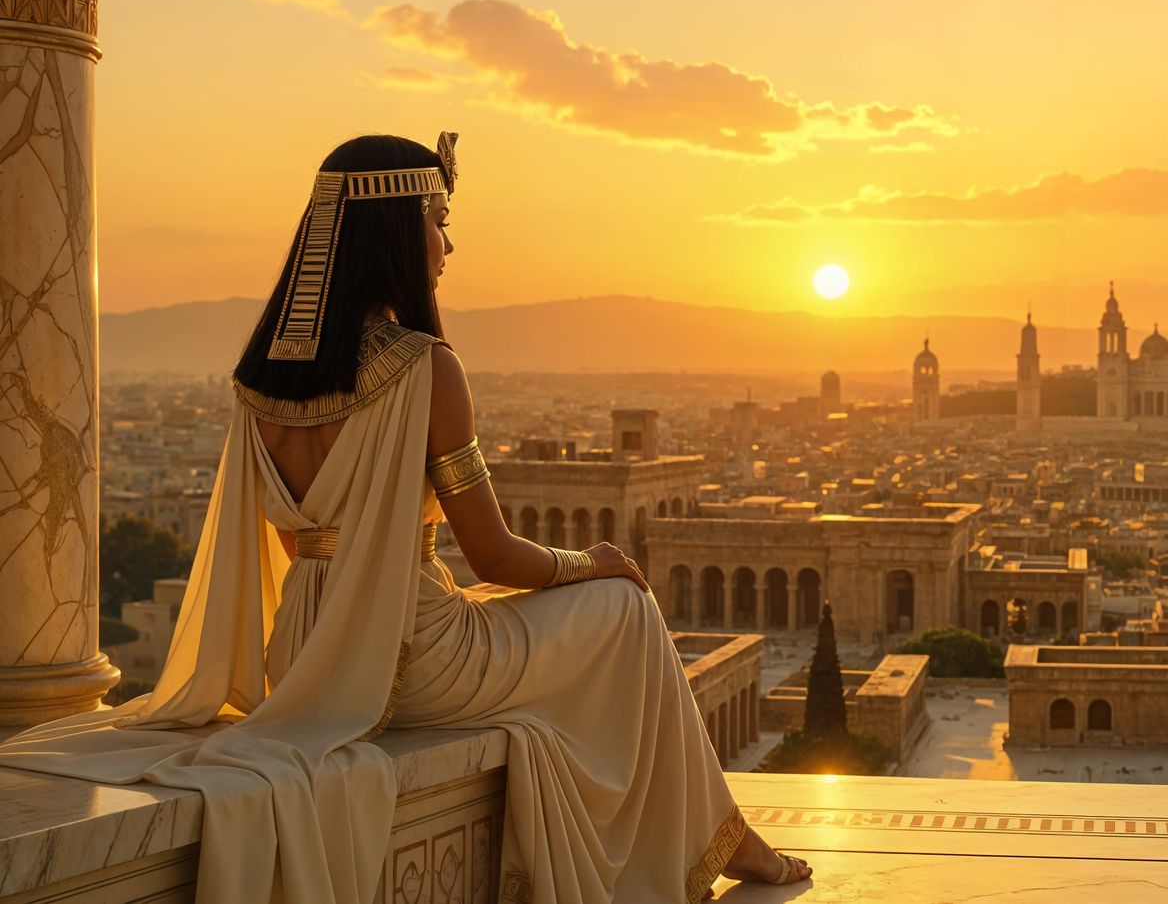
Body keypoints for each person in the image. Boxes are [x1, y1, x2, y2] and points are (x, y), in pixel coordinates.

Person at [0, 133, 810, 903]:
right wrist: (589, 563)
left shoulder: (261, 379)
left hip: (304, 656)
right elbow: (492, 556)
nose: (448, 245)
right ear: (394, 230)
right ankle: (725, 837)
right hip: (417, 660)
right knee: (626, 608)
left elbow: (300, 542)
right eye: (439, 220)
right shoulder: (424, 369)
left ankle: (717, 831)